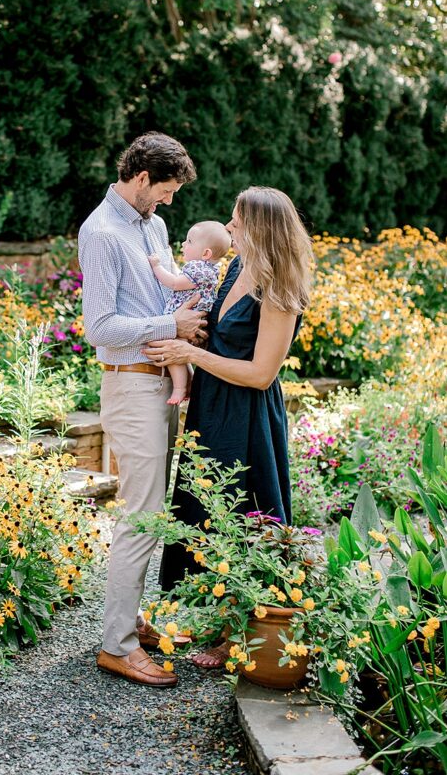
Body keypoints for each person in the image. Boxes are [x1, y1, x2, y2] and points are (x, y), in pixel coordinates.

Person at [143, 186, 313, 668]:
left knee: (244, 511)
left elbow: (262, 373)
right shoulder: (236, 267)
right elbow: (222, 334)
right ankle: (216, 618)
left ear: (260, 228)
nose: (230, 226)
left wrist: (191, 354)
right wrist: (192, 332)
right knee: (206, 507)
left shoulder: (279, 286)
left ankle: (244, 632)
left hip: (248, 413)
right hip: (213, 402)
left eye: (237, 220)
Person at [78, 132, 207, 688]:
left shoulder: (152, 225)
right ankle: (117, 646)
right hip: (130, 387)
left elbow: (162, 297)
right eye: (167, 190)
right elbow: (99, 328)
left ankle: (127, 621)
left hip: (162, 385)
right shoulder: (101, 232)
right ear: (140, 178)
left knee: (152, 509)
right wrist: (170, 327)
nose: (170, 202)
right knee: (142, 514)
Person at [148, 220, 231, 405]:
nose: (184, 244)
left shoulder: (198, 268)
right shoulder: (209, 269)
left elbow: (175, 283)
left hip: (188, 317)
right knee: (181, 352)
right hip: (195, 316)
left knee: (173, 350)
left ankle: (179, 389)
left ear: (206, 253)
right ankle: (189, 381)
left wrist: (156, 267)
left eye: (189, 241)